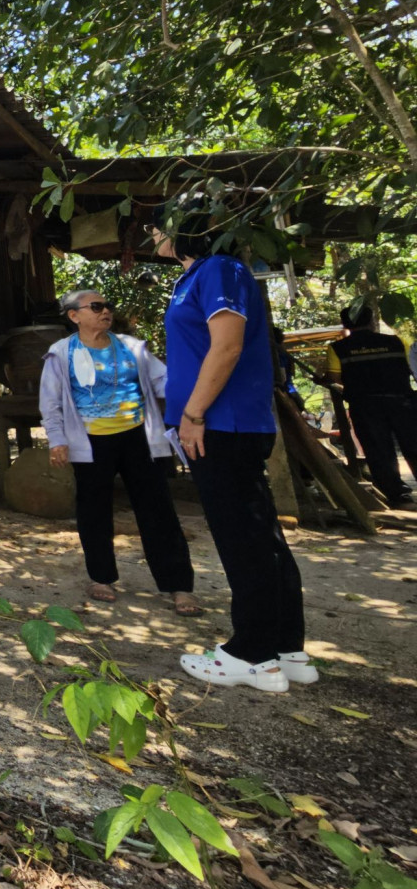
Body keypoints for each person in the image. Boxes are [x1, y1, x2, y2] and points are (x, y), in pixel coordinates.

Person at [152, 209, 311, 692]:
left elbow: (227, 346)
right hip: (219, 423)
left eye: (158, 228)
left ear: (183, 229)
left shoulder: (221, 269)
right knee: (259, 533)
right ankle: (286, 648)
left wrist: (194, 413)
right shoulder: (195, 276)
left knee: (242, 538)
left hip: (223, 423)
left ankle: (252, 654)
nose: (153, 236)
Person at [39, 289, 199, 615]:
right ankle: (101, 578)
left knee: (158, 510)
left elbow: (163, 381)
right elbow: (50, 402)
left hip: (138, 437)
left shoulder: (131, 347)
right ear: (74, 316)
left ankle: (179, 585)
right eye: (96, 307)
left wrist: (196, 395)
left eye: (107, 306)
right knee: (93, 511)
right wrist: (57, 440)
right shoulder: (61, 353)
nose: (105, 311)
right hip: (90, 442)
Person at [321, 304, 417, 506]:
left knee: (378, 450)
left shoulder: (337, 348)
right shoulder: (397, 341)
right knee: (413, 444)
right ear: (372, 321)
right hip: (402, 402)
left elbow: (334, 378)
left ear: (344, 324)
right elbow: (411, 368)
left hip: (365, 406)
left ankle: (398, 495)